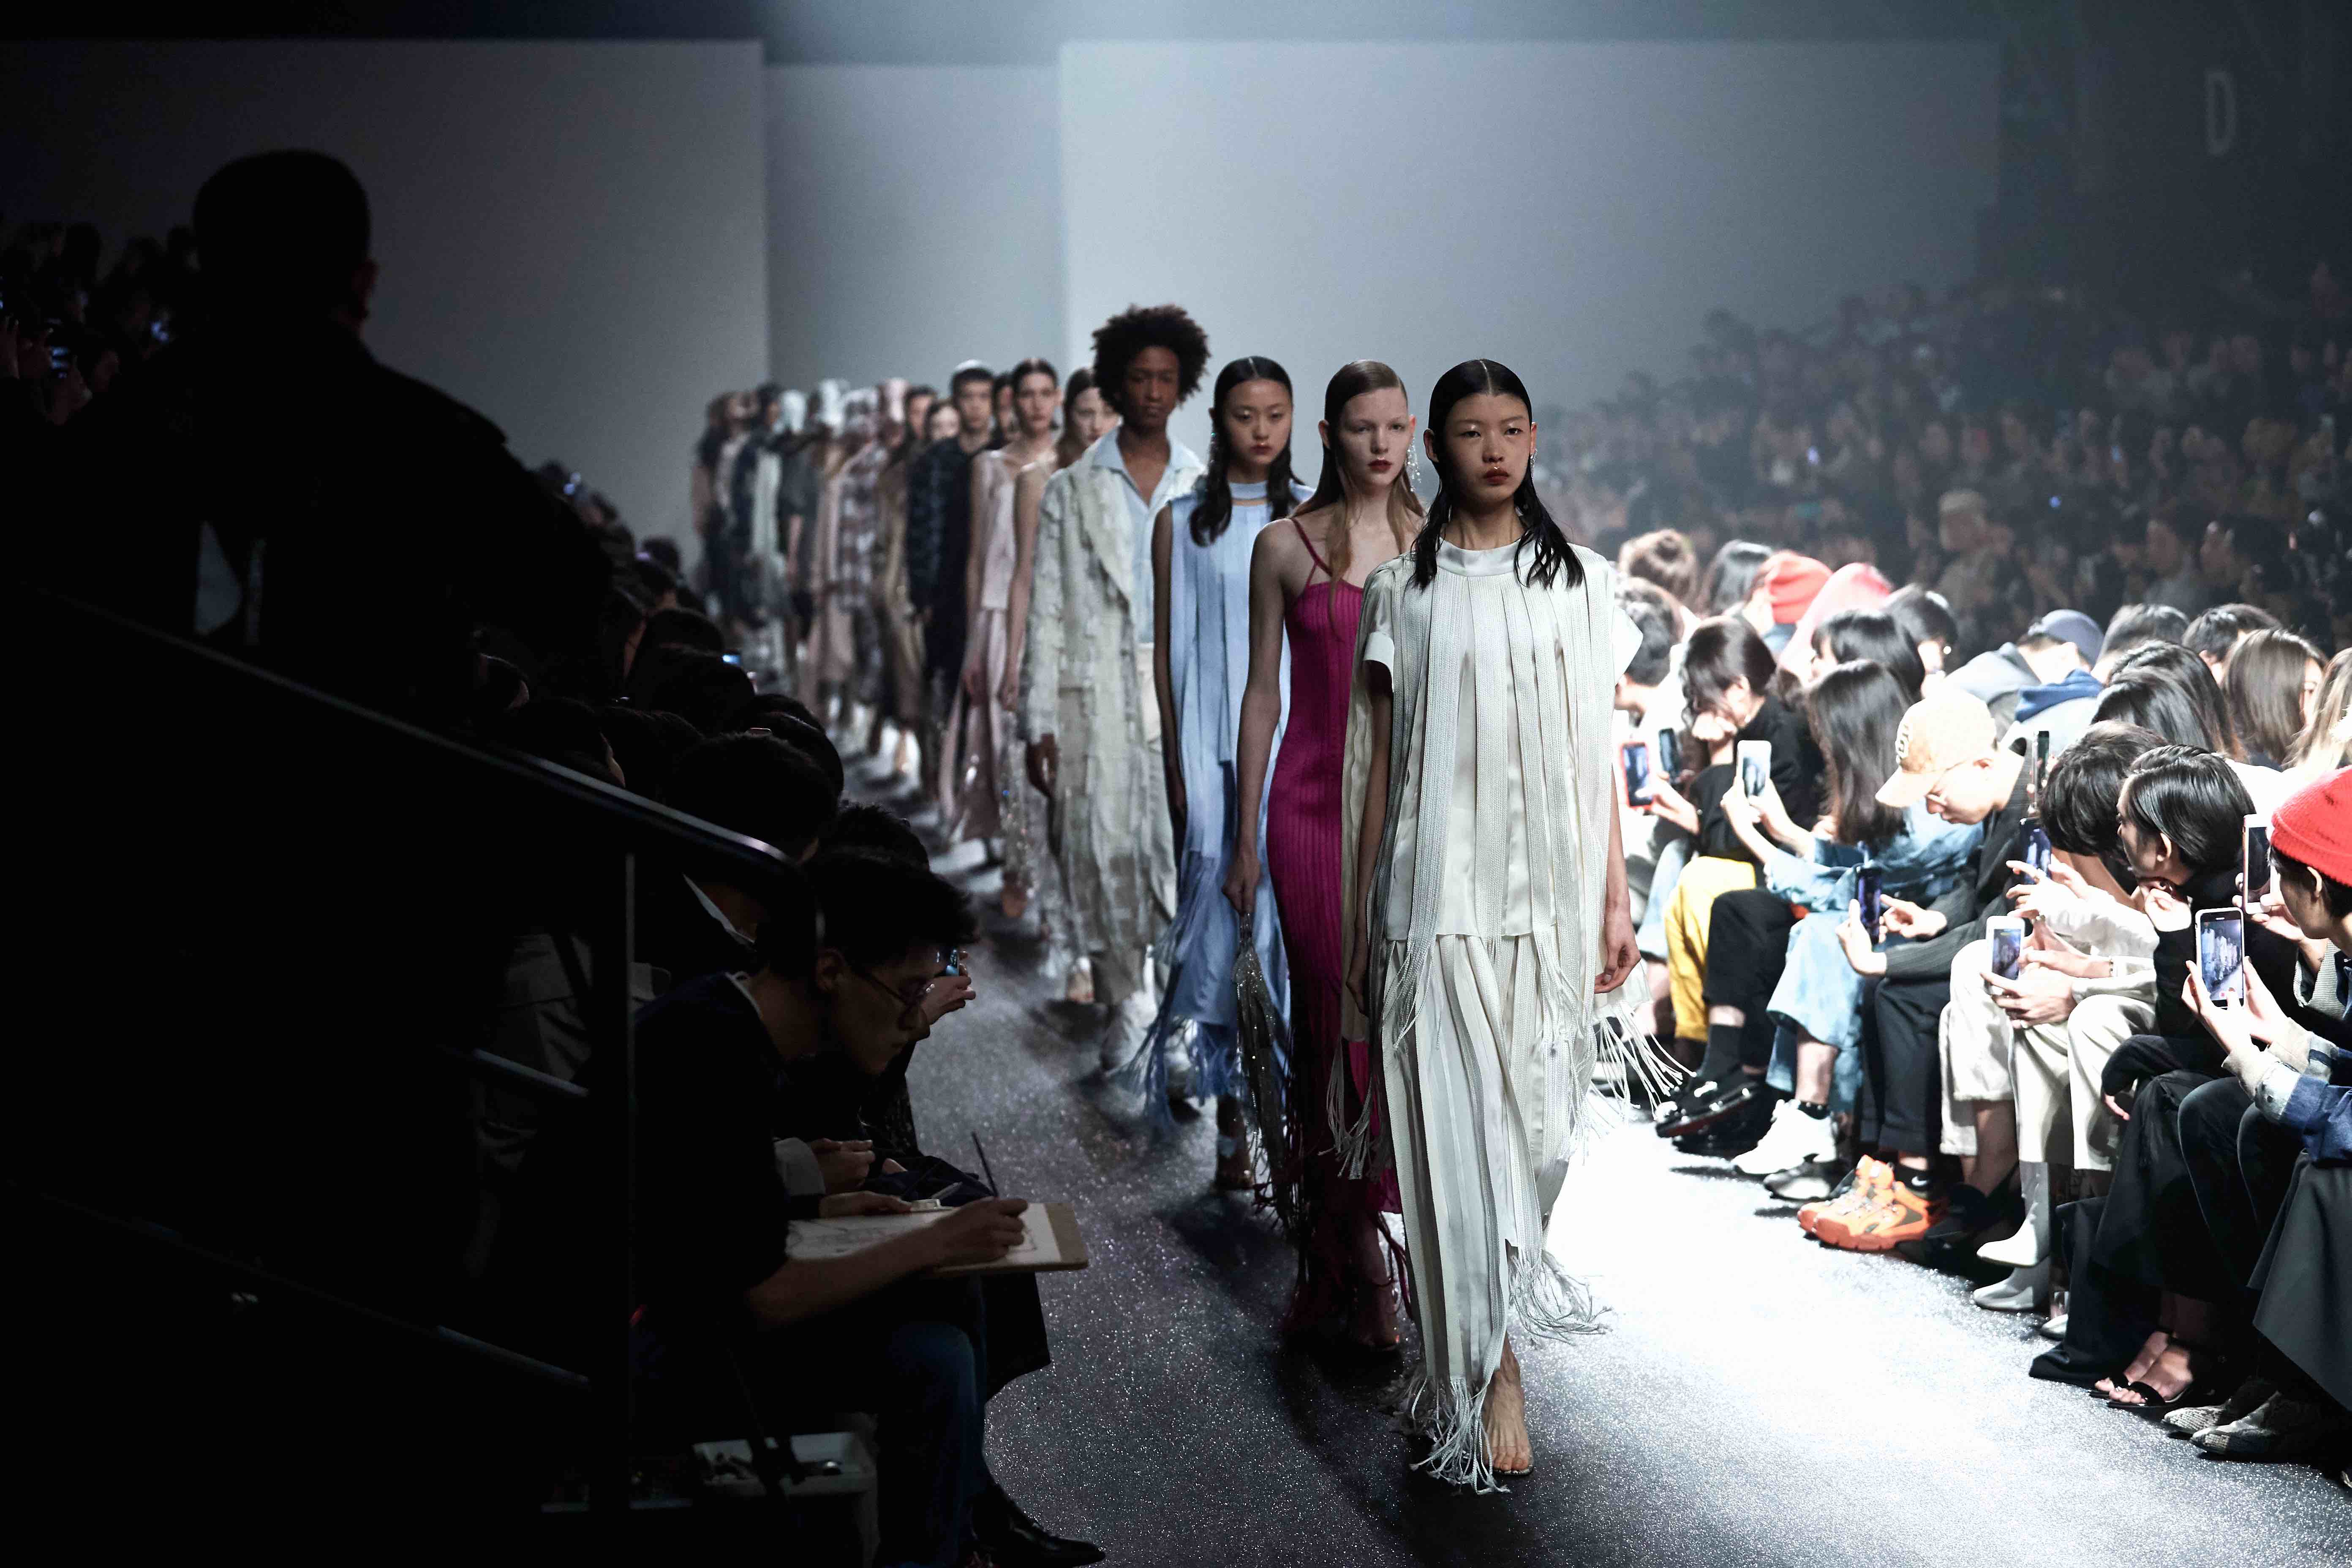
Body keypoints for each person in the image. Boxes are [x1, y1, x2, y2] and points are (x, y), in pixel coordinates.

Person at [1341, 359, 1659, 1489]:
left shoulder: (1583, 584)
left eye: (1512, 429)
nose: (1493, 450)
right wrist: (1364, 922)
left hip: (1549, 900)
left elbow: (1596, 754)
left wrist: (1616, 899)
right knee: (1449, 1139)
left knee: (1540, 1139)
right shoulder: (1403, 592)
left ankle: (1469, 1332)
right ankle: (1488, 1365)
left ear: (1534, 439)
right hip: (1431, 898)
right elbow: (1375, 769)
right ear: (1435, 446)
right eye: (1472, 432)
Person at [47, 150, 610, 727]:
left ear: (210, 272)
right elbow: (574, 598)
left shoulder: (118, 426)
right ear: (362, 285)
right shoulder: (423, 441)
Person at [1226, 359, 1422, 1348]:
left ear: (1413, 432)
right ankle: (1355, 1269)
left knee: (1396, 1030)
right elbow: (1262, 692)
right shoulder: (1283, 546)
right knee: (1327, 1027)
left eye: (1395, 425)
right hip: (1306, 809)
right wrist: (1240, 835)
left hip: (1410, 817)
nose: (1380, 444)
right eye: (1361, 427)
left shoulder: (1441, 547)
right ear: (1330, 436)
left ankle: (1375, 1244)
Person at [1021, 305, 1210, 1057]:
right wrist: (1038, 718)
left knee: (1176, 844)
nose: (1153, 392)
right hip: (1093, 681)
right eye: (1139, 377)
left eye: (1166, 378)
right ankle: (1122, 996)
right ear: (1115, 382)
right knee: (1100, 843)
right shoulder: (1071, 489)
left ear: (1183, 384)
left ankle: (1173, 1010)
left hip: (1179, 684)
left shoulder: (1202, 483)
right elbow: (1047, 607)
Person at [1140, 356, 1306, 1186]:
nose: (1262, 430)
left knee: (1284, 923)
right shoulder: (1180, 522)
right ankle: (1233, 1115)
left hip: (1294, 740)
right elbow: (1168, 652)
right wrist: (1175, 760)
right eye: (1246, 414)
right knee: (1221, 912)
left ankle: (1283, 1116)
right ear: (1220, 422)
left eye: (1276, 413)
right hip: (1209, 744)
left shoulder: (1311, 515)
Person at [957, 359, 1062, 903]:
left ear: (1058, 397)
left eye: (1046, 393)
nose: (1037, 404)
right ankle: (1017, 860)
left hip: (1055, 616)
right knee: (1004, 743)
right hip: (999, 617)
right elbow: (978, 557)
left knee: (1050, 743)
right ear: (1012, 401)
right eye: (1027, 394)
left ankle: (1045, 866)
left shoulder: (1071, 463)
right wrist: (974, 645)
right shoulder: (989, 466)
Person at [911, 364, 997, 808]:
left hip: (993, 590)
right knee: (946, 686)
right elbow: (920, 530)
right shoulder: (935, 461)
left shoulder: (1003, 455)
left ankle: (986, 797)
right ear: (956, 401)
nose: (976, 406)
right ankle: (947, 786)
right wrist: (923, 594)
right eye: (968, 397)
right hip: (946, 594)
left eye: (984, 396)